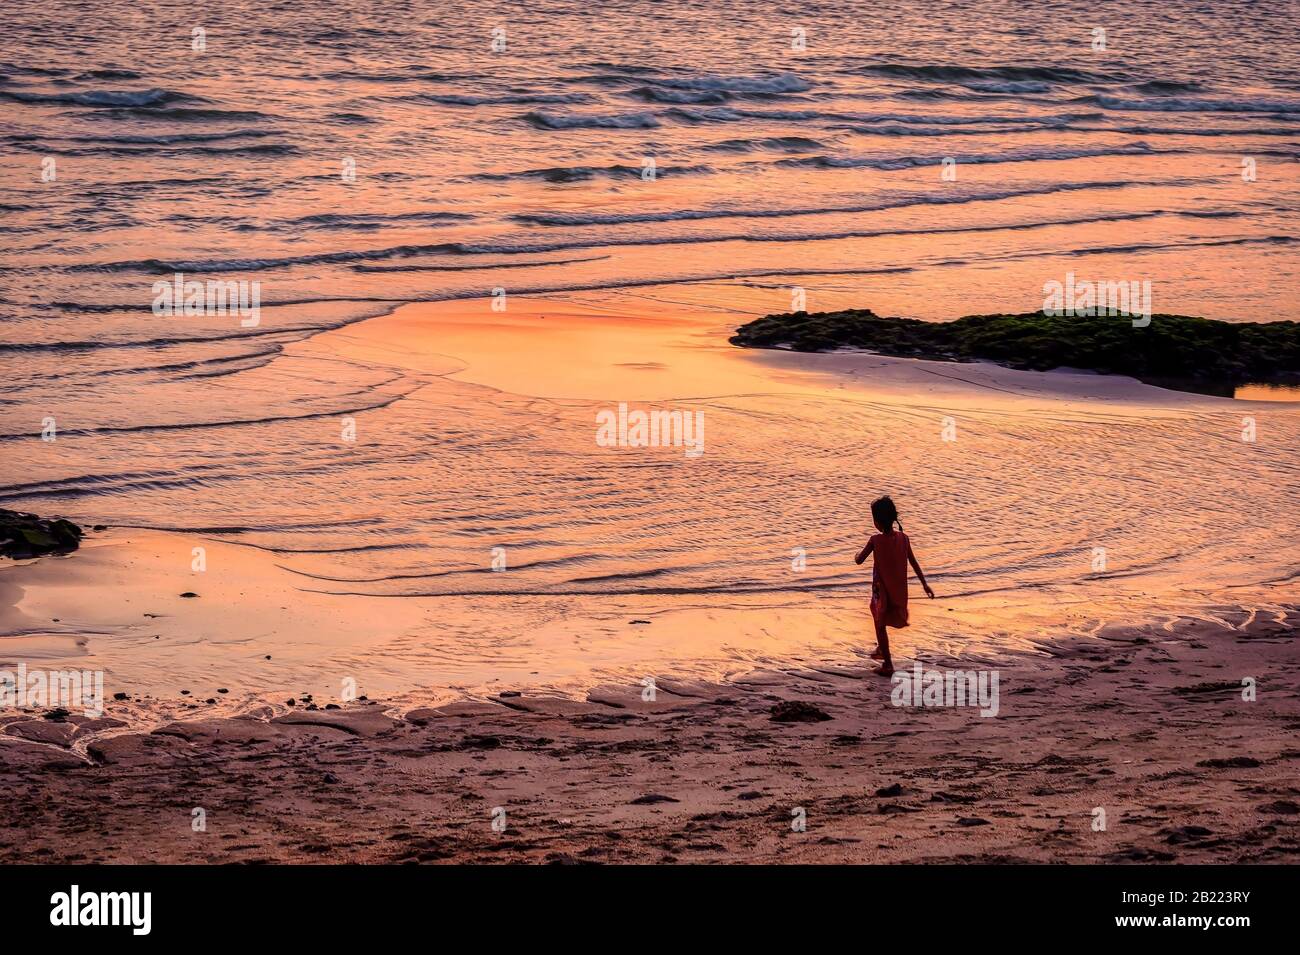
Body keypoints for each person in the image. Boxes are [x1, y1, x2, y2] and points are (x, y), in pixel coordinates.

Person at [854, 495, 933, 676]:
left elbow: (859, 560)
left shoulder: (875, 540)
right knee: (880, 618)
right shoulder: (904, 538)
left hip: (881, 590)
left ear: (877, 522)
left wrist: (856, 554)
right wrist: (925, 585)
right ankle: (882, 649)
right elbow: (914, 562)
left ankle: (888, 664)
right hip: (897, 588)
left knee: (879, 621)